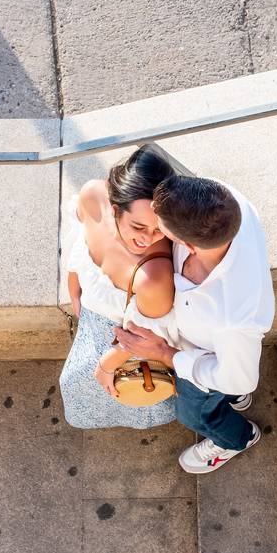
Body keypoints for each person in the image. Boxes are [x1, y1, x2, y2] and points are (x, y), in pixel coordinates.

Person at [114, 175, 274, 473]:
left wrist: (165, 355)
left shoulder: (233, 319)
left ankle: (236, 439)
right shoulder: (223, 201)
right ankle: (232, 399)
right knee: (229, 384)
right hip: (218, 348)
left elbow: (241, 378)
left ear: (187, 244)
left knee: (194, 414)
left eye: (158, 223)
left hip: (202, 359)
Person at [58, 146, 186, 429]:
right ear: (115, 208)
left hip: (128, 342)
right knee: (76, 383)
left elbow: (144, 337)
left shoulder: (153, 276)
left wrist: (106, 365)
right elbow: (79, 236)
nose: (148, 239)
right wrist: (75, 280)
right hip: (92, 318)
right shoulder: (92, 194)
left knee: (133, 391)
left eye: (159, 228)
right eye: (138, 226)